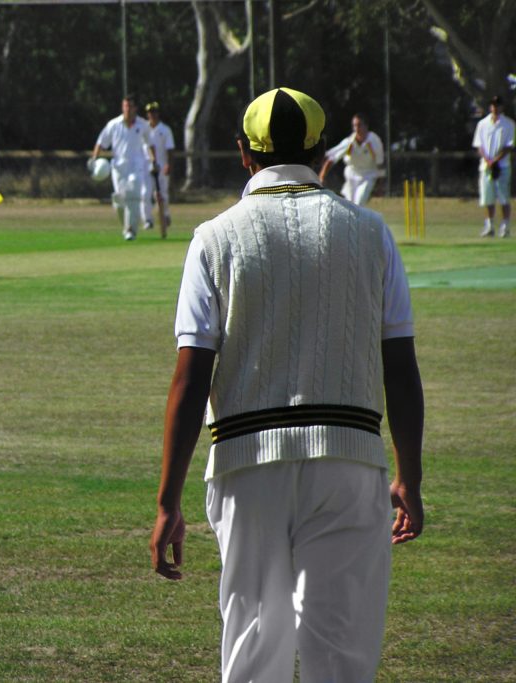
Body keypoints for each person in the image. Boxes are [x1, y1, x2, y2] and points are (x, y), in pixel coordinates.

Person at [150, 87, 424, 683]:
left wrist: (168, 502)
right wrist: (410, 475)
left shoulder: (214, 238)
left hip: (247, 466)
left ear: (243, 155)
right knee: (343, 656)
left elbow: (191, 374)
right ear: (323, 151)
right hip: (350, 459)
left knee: (253, 651)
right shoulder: (371, 233)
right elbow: (399, 365)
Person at [90, 94, 154, 241]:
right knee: (119, 200)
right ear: (122, 107)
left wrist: (153, 159)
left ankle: (131, 229)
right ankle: (127, 227)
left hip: (136, 167)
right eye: (125, 106)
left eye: (130, 106)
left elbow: (149, 144)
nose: (128, 109)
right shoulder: (113, 125)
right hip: (118, 168)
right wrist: (94, 159)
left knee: (133, 196)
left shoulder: (142, 125)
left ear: (135, 108)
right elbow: (101, 142)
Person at [318, 112, 385, 206]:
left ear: (366, 126)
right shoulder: (350, 143)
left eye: (359, 125)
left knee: (359, 202)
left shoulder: (374, 141)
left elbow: (380, 164)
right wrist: (322, 176)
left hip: (368, 176)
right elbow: (332, 159)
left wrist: (380, 186)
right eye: (354, 126)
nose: (357, 129)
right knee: (350, 205)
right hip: (351, 175)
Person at [472, 95, 515, 238]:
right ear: (490, 107)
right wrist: (488, 161)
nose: (495, 108)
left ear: (502, 107)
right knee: (487, 198)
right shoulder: (482, 124)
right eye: (493, 105)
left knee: (503, 198)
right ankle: (489, 226)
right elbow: (479, 145)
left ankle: (505, 226)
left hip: (502, 166)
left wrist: (495, 160)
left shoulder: (509, 124)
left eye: (498, 105)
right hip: (486, 167)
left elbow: (509, 146)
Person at [144, 101, 176, 235]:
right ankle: (148, 219)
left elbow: (170, 149)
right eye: (150, 112)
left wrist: (168, 164)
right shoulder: (143, 129)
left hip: (161, 165)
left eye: (154, 112)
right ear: (147, 114)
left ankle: (165, 214)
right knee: (145, 193)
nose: (152, 115)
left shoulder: (165, 129)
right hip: (145, 166)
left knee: (162, 194)